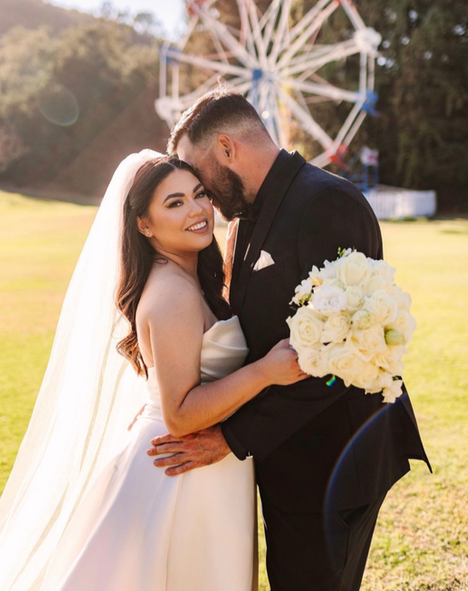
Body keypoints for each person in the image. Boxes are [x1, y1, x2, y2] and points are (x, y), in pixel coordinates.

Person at [0, 152, 306, 590]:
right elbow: (181, 415)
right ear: (143, 225)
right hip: (179, 475)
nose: (197, 210)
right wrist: (265, 372)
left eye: (199, 194)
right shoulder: (171, 294)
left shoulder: (189, 278)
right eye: (174, 203)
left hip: (204, 469)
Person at [149, 87, 432, 591]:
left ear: (228, 149)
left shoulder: (328, 202)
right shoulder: (245, 220)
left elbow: (346, 356)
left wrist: (230, 438)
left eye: (199, 174)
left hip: (334, 463)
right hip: (286, 460)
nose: (202, 194)